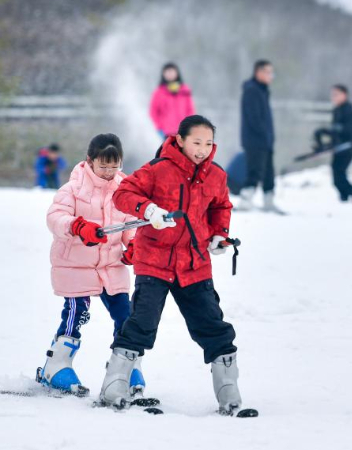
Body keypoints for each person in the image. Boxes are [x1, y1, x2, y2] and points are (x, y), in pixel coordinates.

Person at [98, 115, 246, 416]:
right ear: (180, 140)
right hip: (155, 261)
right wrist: (149, 210)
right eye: (196, 142)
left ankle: (228, 388)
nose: (202, 149)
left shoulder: (216, 175)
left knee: (212, 324)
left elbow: (221, 206)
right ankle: (114, 383)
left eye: (208, 143)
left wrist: (219, 235)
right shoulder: (158, 169)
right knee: (142, 322)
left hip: (195, 264)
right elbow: (122, 195)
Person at [39, 134, 142, 396]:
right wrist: (78, 226)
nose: (108, 172)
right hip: (76, 265)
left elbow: (130, 224)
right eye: (103, 166)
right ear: (90, 160)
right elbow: (55, 218)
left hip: (111, 266)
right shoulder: (73, 189)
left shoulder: (125, 191)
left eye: (114, 166)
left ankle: (124, 367)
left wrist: (134, 245)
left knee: (126, 316)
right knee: (77, 312)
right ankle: (56, 365)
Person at [238, 59, 283, 214]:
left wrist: (269, 136)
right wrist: (264, 133)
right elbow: (253, 118)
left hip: (266, 140)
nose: (271, 76)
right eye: (268, 72)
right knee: (254, 171)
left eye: (272, 72)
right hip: (254, 140)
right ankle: (245, 201)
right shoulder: (252, 90)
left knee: (269, 172)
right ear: (258, 72)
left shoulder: (263, 90)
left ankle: (268, 201)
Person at [313, 84, 352, 202]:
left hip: (346, 147)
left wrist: (334, 130)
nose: (333, 97)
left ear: (344, 95)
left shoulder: (348, 110)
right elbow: (335, 131)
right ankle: (345, 196)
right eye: (332, 95)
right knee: (337, 175)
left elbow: (349, 129)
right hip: (338, 148)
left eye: (336, 94)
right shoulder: (337, 110)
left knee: (339, 174)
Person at [149, 62, 195, 139]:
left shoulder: (185, 90)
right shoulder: (158, 92)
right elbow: (153, 112)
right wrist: (160, 128)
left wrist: (189, 126)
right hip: (167, 134)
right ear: (163, 74)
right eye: (167, 72)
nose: (170, 74)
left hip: (183, 132)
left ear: (177, 73)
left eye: (172, 71)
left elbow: (190, 110)